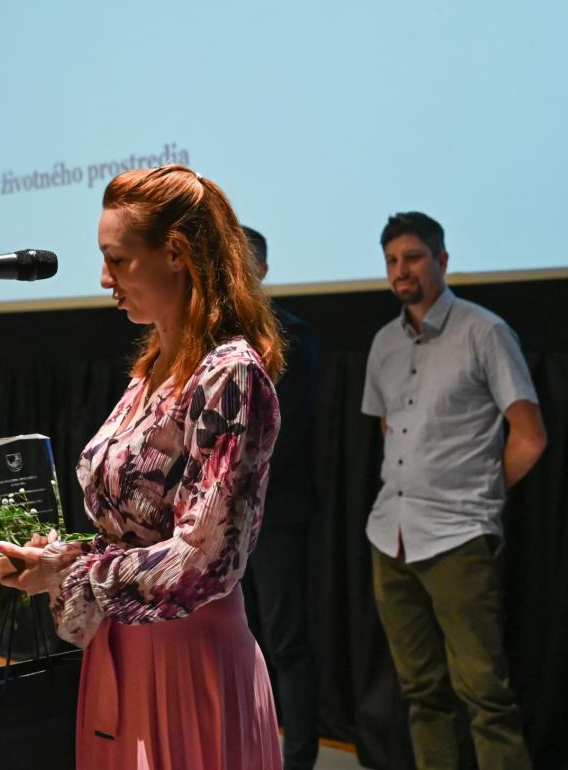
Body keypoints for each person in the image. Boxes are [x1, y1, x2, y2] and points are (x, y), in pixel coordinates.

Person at [0, 164, 286, 770]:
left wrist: (73, 576)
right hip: (123, 653)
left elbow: (205, 560)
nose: (106, 279)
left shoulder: (229, 373)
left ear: (175, 253)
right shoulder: (151, 369)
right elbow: (131, 533)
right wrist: (58, 559)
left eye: (118, 260)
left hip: (190, 666)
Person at [361, 211, 547, 770]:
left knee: (485, 694)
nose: (401, 270)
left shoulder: (483, 331)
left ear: (441, 260)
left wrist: (481, 493)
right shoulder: (383, 342)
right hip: (390, 535)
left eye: (413, 257)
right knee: (421, 691)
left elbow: (530, 436)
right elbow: (389, 425)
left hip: (458, 536)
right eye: (392, 261)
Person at [240, 226, 321, 770]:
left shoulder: (291, 336)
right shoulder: (205, 337)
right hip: (218, 518)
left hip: (274, 513)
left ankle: (297, 759)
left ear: (262, 270)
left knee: (284, 641)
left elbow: (284, 434)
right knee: (233, 639)